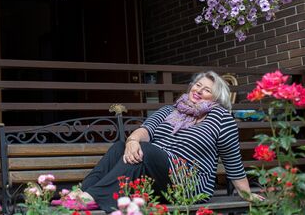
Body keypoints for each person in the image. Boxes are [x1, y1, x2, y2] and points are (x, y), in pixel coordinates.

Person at [60, 71, 263, 212]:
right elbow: (145, 131)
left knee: (146, 151)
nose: (199, 90)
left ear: (216, 98)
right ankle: (82, 193)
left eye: (207, 90)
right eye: (197, 85)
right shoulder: (169, 110)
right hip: (157, 175)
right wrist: (132, 140)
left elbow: (232, 159)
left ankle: (91, 198)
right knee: (121, 146)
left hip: (188, 182)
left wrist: (246, 193)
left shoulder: (220, 118)